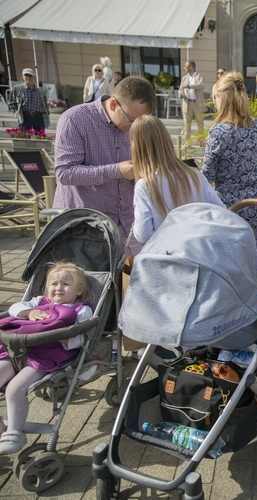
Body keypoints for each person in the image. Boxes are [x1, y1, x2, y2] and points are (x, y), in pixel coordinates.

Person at [0, 262, 93, 454]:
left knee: (14, 388)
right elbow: (15, 309)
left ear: (79, 289)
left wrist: (67, 337)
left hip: (45, 356)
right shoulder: (38, 302)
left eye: (65, 284)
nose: (58, 288)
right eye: (54, 284)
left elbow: (84, 335)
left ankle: (15, 432)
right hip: (17, 350)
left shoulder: (81, 310)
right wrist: (29, 312)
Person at [53, 76, 157, 247]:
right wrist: (117, 170)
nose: (134, 126)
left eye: (141, 121)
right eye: (131, 119)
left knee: (140, 271)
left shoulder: (133, 125)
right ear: (114, 104)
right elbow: (65, 173)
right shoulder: (75, 119)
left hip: (128, 221)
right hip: (86, 227)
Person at [202, 72, 257, 259]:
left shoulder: (219, 132)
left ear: (221, 98)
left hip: (229, 207)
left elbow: (207, 176)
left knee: (229, 262)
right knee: (254, 261)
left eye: (214, 97)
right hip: (256, 203)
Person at [129, 115, 224, 245]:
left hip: (167, 257)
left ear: (137, 148)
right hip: (200, 252)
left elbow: (143, 234)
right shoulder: (195, 175)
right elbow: (221, 211)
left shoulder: (145, 185)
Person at [8, 68, 49, 132]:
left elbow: (45, 104)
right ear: (22, 77)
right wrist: (17, 113)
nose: (28, 77)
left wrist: (46, 114)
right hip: (25, 116)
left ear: (34, 78)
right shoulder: (17, 89)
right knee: (25, 136)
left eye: (30, 76)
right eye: (26, 75)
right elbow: (11, 102)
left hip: (38, 116)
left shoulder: (40, 91)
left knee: (40, 137)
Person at [179, 61, 205, 142]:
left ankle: (201, 143)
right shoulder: (184, 78)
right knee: (187, 125)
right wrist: (180, 92)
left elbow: (200, 85)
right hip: (187, 103)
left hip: (197, 104)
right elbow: (181, 88)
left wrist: (189, 86)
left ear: (191, 67)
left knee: (200, 124)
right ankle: (187, 144)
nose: (184, 68)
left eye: (186, 66)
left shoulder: (199, 76)